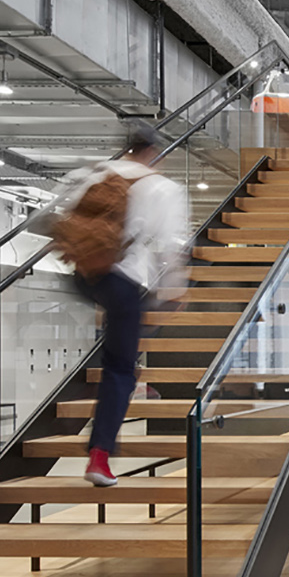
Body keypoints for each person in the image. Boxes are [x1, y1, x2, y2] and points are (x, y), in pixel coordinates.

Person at [63, 122, 189, 487]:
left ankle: (112, 345)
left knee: (121, 333)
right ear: (154, 153)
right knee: (120, 367)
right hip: (125, 280)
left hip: (84, 276)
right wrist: (174, 288)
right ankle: (99, 457)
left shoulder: (98, 174)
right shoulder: (162, 188)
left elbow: (63, 217)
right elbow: (170, 245)